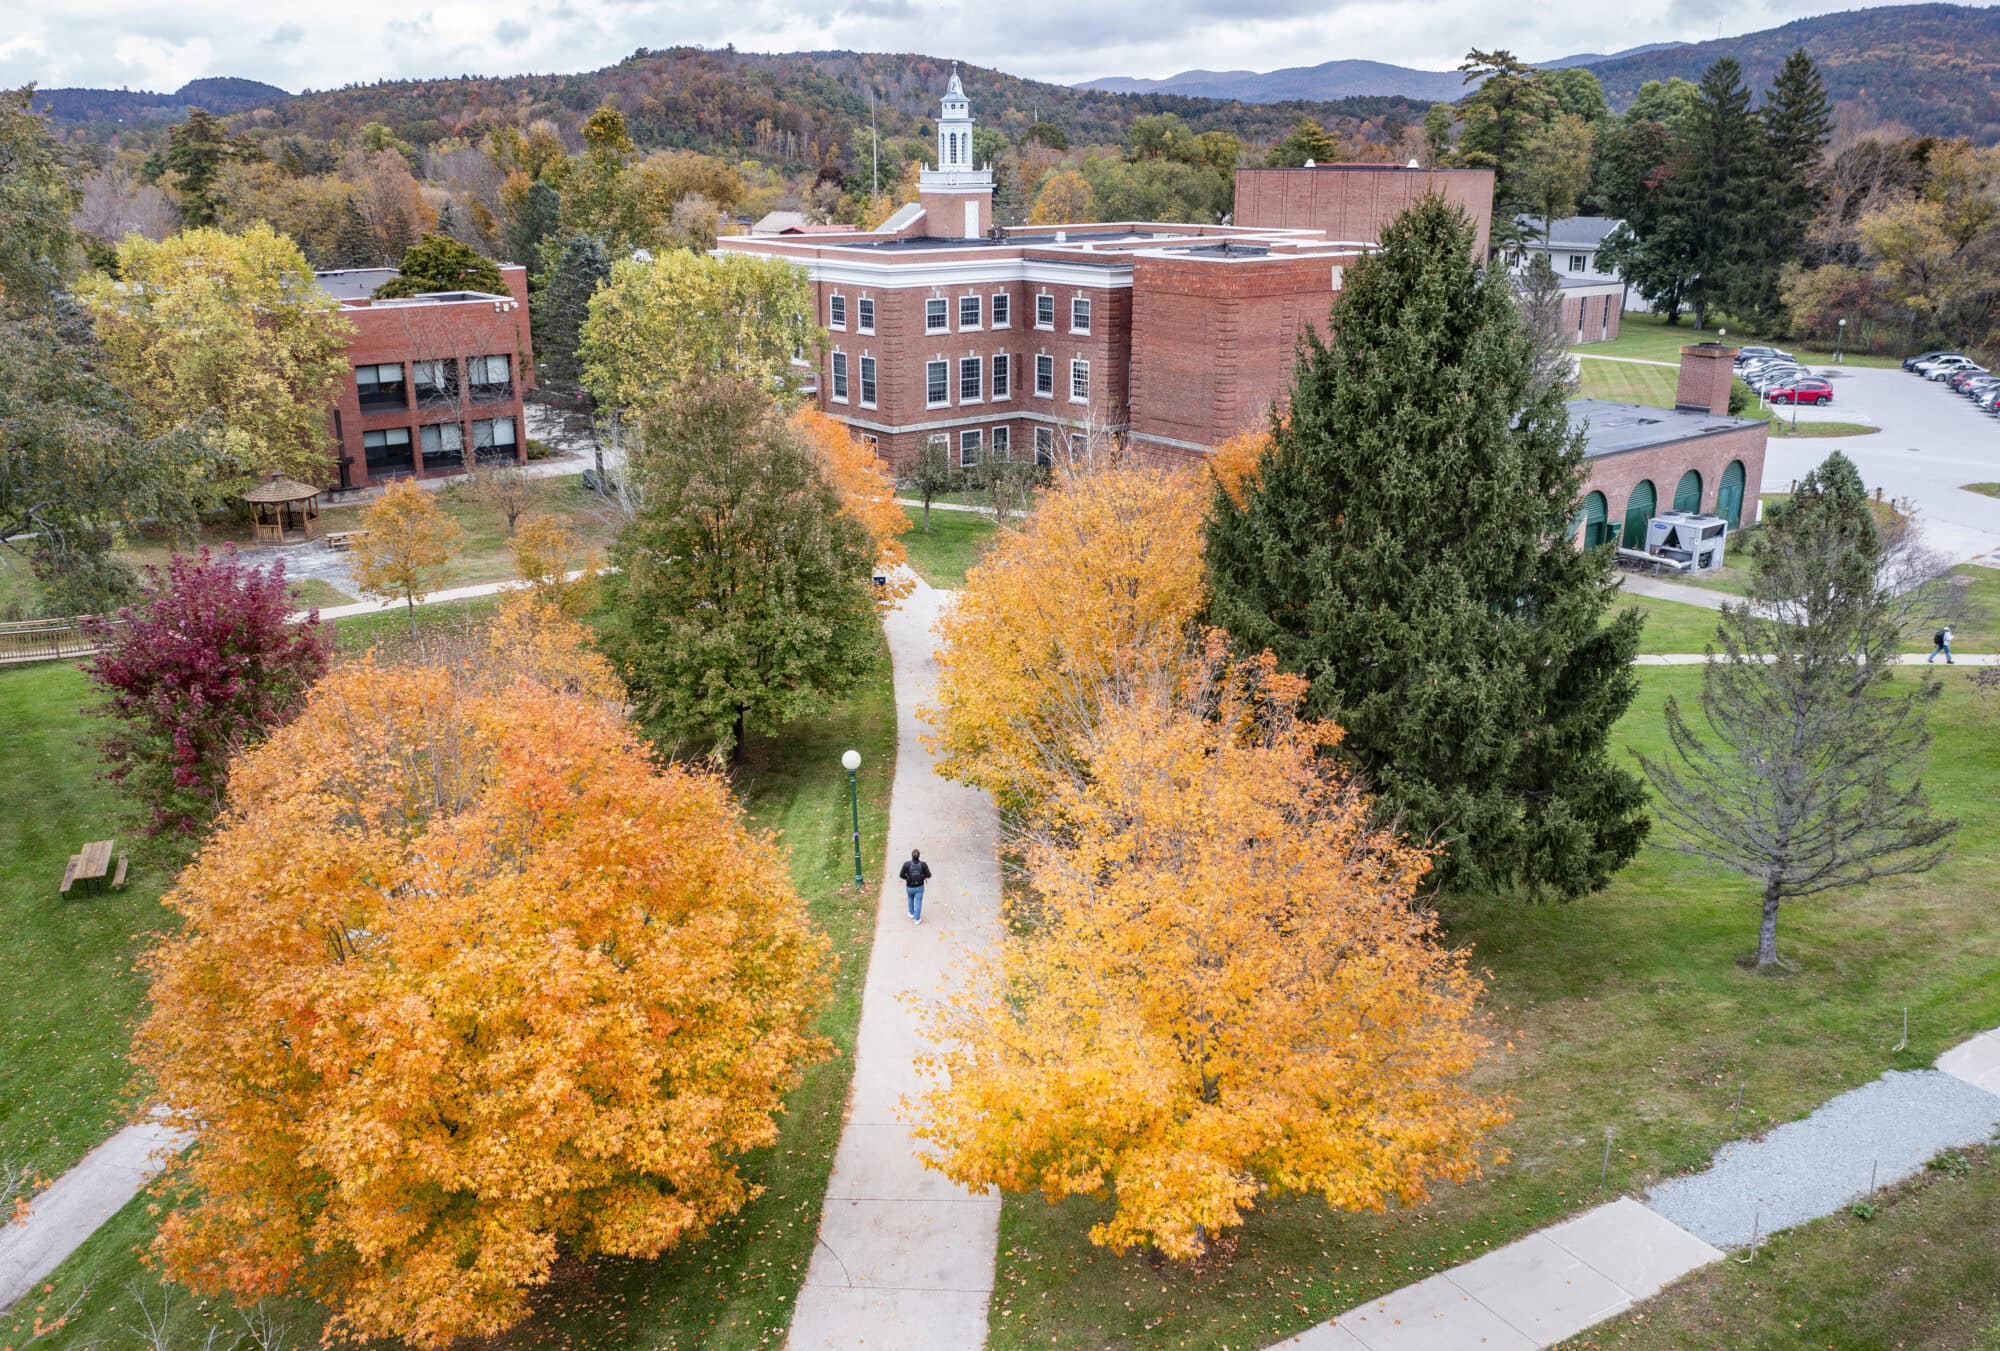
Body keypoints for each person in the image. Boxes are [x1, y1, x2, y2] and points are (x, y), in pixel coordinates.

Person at [898, 848, 933, 925]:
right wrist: (923, 876)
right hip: (920, 887)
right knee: (918, 902)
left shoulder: (906, 864)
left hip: (909, 887)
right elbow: (929, 875)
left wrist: (907, 878)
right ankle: (917, 919)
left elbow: (901, 875)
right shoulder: (923, 865)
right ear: (919, 856)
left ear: (912, 856)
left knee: (910, 898)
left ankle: (911, 913)